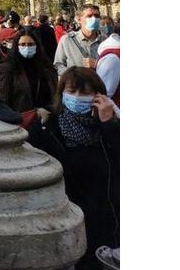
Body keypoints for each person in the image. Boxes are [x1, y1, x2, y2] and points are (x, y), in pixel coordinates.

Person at [27, 67, 119, 269]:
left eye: (85, 93)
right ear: (62, 94)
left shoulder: (109, 127)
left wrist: (109, 124)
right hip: (62, 220)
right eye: (72, 92)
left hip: (103, 221)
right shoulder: (47, 127)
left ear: (98, 96)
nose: (77, 98)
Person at [0, 29, 58, 124]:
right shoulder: (7, 68)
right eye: (23, 44)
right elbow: (2, 99)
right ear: (16, 46)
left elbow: (54, 94)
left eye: (30, 44)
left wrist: (48, 110)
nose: (27, 47)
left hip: (46, 119)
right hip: (20, 122)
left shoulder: (46, 66)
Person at [53, 4, 106, 75]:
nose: (94, 19)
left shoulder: (106, 41)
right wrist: (74, 75)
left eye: (97, 16)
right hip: (77, 85)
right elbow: (58, 65)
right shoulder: (67, 40)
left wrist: (98, 65)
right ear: (79, 20)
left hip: (101, 84)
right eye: (89, 16)